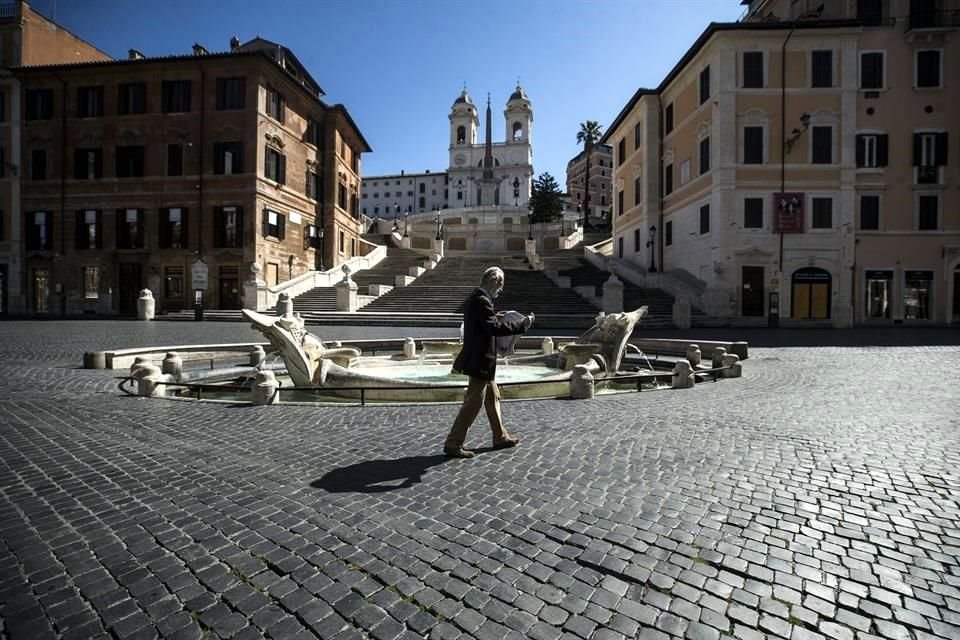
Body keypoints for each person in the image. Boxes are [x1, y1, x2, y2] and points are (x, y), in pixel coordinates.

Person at [444, 266, 534, 458]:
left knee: (493, 397)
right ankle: (453, 443)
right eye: (500, 283)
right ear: (492, 281)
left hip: (481, 358)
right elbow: (493, 329)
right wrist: (521, 325)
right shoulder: (482, 301)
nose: (501, 288)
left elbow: (484, 323)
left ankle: (500, 436)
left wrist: (496, 317)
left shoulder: (477, 298)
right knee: (473, 401)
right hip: (480, 360)